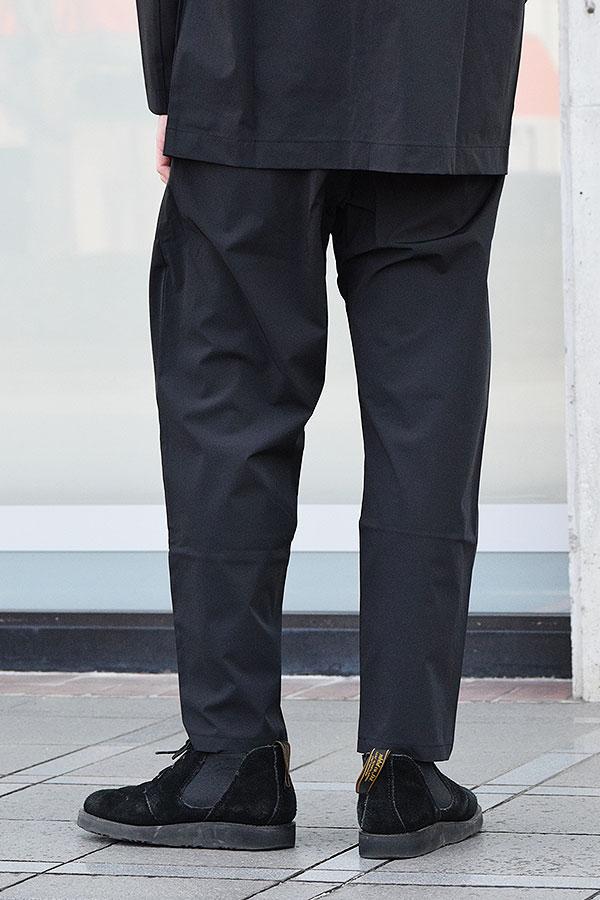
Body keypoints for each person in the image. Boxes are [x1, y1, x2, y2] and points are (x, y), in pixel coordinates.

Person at [78, 0, 526, 858]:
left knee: (229, 408)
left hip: (243, 63)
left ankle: (231, 758)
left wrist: (172, 76)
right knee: (425, 415)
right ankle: (404, 769)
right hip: (437, 80)